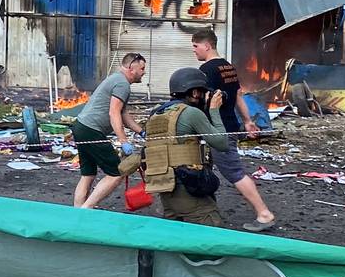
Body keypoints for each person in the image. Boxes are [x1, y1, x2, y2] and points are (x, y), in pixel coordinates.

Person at [189, 28, 276, 231]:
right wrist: (247, 121)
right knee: (205, 167)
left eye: (195, 46)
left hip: (219, 130)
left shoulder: (207, 70)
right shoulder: (228, 67)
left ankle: (264, 213)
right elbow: (238, 96)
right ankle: (203, 209)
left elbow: (204, 100)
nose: (194, 50)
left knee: (234, 172)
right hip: (229, 126)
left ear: (207, 46)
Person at [140, 68, 232, 227]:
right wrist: (214, 110)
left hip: (164, 185)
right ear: (195, 93)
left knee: (176, 232)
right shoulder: (191, 113)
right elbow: (221, 143)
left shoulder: (157, 114)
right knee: (212, 230)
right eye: (203, 92)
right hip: (188, 186)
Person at [72, 54, 147, 209]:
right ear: (131, 68)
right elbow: (114, 113)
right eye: (142, 68)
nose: (144, 72)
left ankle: (77, 212)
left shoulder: (116, 79)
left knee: (88, 174)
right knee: (116, 173)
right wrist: (123, 141)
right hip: (91, 130)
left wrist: (141, 132)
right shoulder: (122, 84)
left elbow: (123, 114)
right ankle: (86, 209)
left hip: (81, 126)